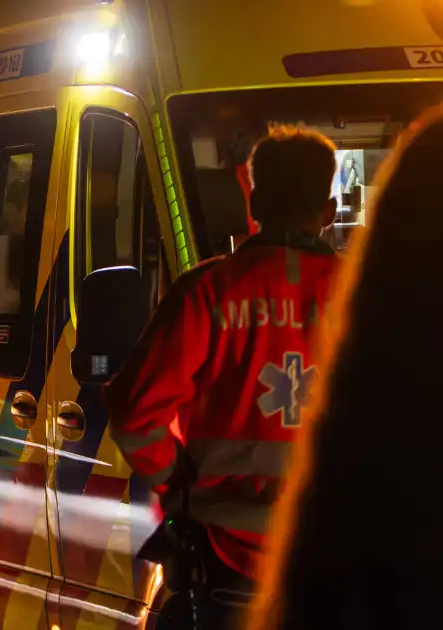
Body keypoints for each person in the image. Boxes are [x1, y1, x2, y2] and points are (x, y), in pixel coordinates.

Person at [103, 124, 342, 629]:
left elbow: (134, 414)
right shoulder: (370, 296)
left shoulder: (206, 293)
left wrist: (175, 480)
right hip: (338, 555)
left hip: (223, 558)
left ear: (253, 204)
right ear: (330, 211)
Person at [247, 108, 443, 630]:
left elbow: (138, 404)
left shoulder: (203, 293)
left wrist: (184, 492)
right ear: (331, 210)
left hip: (233, 548)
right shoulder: (346, 293)